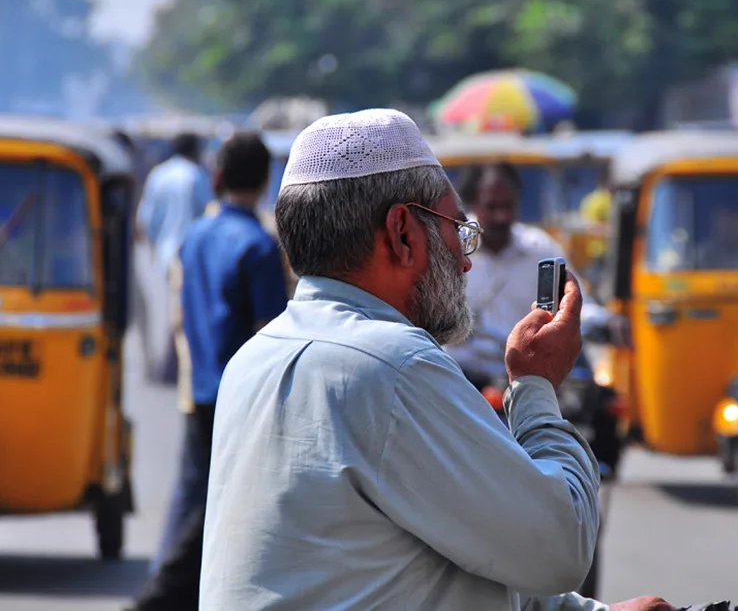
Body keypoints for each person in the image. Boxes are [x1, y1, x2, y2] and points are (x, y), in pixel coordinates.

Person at [199, 109, 672, 611]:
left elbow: (417, 565)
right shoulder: (391, 365)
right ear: (403, 232)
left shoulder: (252, 360)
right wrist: (535, 388)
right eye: (455, 229)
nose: (466, 259)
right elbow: (559, 548)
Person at [126, 131, 289, 611]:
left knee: (192, 494)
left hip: (197, 385)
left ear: (217, 177)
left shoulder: (194, 237)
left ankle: (167, 584)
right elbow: (270, 333)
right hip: (240, 396)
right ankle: (160, 597)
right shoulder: (259, 246)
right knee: (219, 504)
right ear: (264, 182)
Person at [446, 163, 608, 389]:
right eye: (492, 207)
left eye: (507, 206)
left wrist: (606, 321)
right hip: (464, 381)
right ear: (473, 205)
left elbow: (576, 307)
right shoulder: (452, 248)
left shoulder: (540, 249)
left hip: (529, 378)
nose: (501, 216)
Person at [134, 132, 215, 271]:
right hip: (190, 254)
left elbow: (146, 218)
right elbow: (210, 211)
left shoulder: (158, 174)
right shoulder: (196, 174)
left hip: (163, 252)